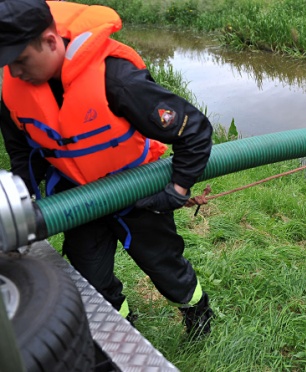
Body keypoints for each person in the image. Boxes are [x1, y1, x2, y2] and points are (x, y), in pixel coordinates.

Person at [0, 0, 214, 336]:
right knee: (91, 279)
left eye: (21, 60)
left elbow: (195, 129)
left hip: (137, 189)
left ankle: (198, 314)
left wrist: (177, 189)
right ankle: (121, 328)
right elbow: (21, 153)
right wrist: (27, 208)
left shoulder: (115, 78)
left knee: (164, 265)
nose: (14, 72)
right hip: (79, 198)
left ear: (51, 41)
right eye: (7, 63)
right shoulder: (12, 93)